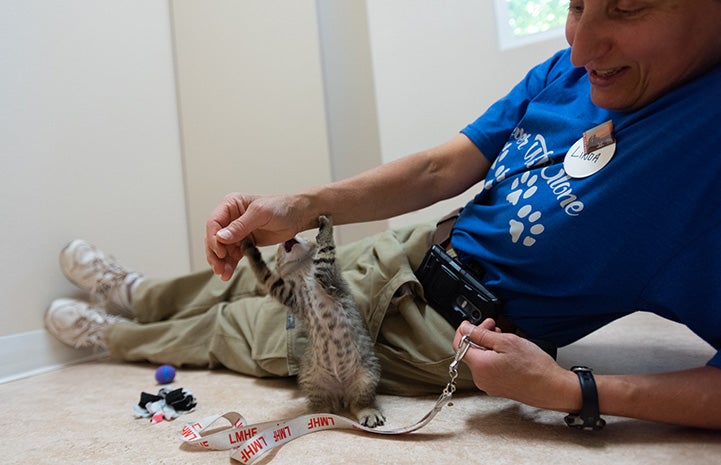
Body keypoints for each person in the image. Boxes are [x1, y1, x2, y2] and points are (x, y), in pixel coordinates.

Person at [46, 0, 721, 430]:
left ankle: (116, 338)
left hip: (447, 330)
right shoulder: (568, 70)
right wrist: (304, 206)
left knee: (246, 331)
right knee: (270, 270)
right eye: (575, 4)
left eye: (626, 8)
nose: (579, 48)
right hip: (418, 247)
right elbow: (438, 168)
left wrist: (576, 390)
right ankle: (138, 292)